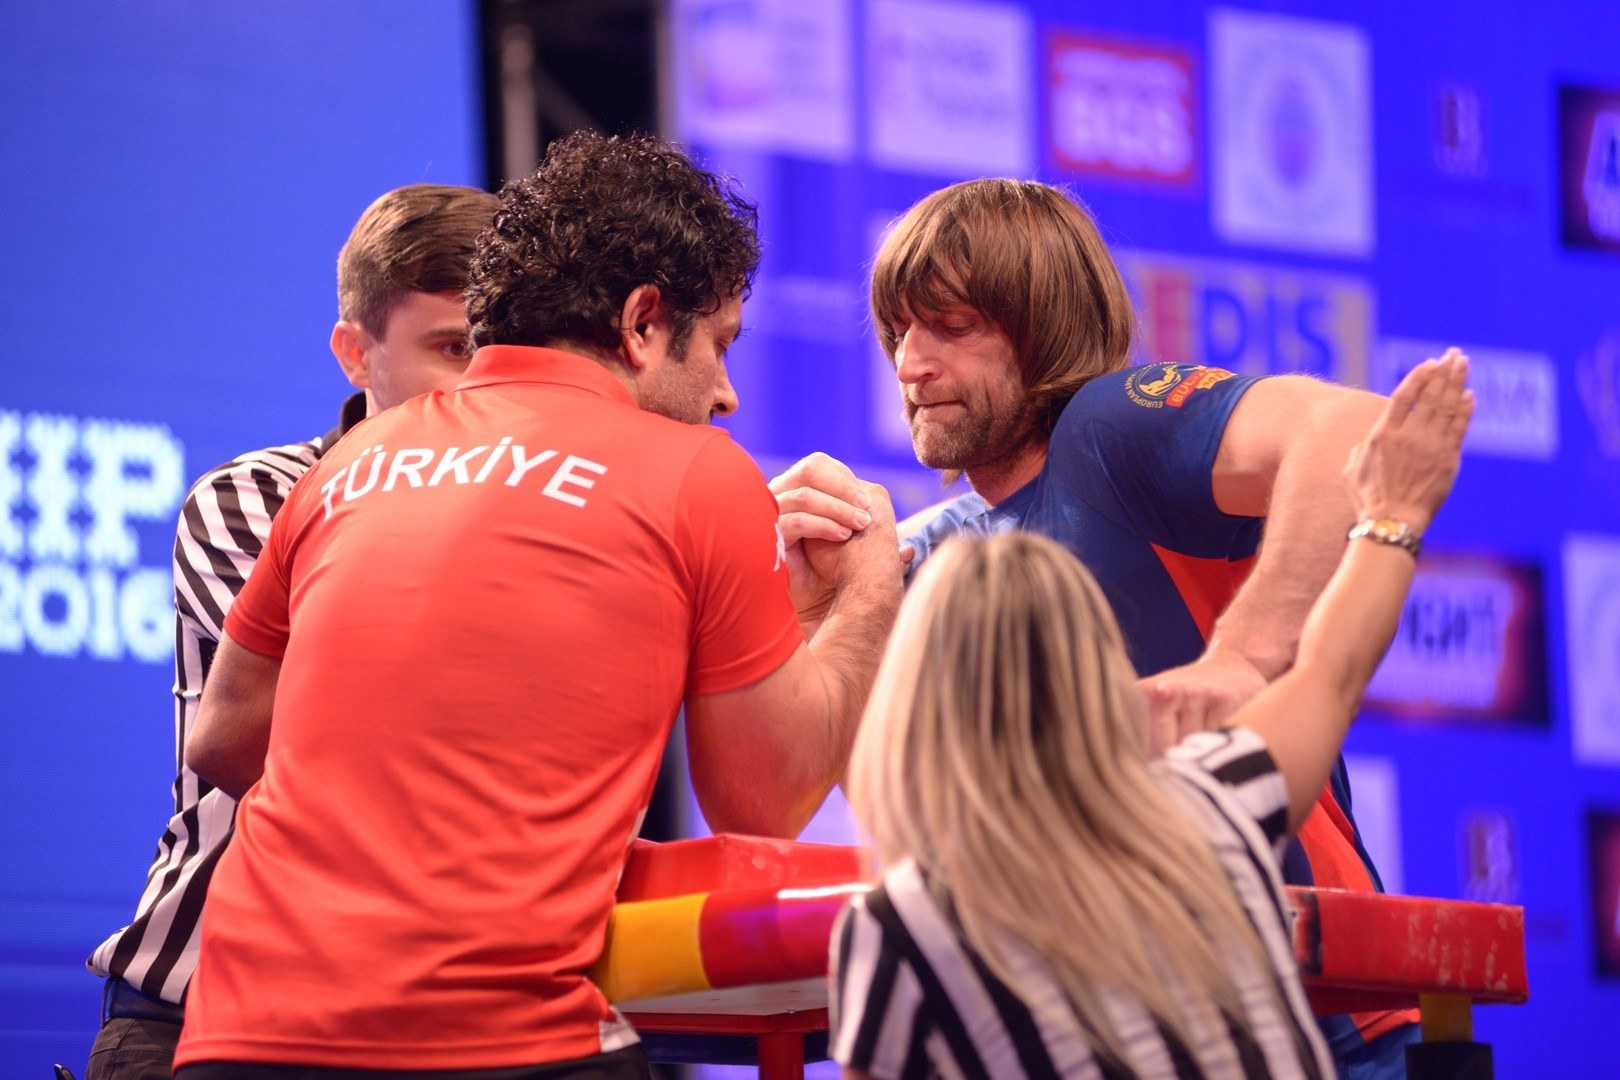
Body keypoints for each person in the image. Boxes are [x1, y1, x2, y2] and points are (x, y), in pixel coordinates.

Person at [171, 131, 903, 1079]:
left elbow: (225, 739)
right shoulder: (693, 472)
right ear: (644, 324)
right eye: (716, 346)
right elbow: (760, 802)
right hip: (496, 1044)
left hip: (238, 1038)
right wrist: (867, 591)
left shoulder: (351, 459)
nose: (723, 394)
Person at [774, 178, 1415, 1075]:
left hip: (1314, 1010)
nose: (910, 364)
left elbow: (1357, 428)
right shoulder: (937, 558)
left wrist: (1242, 659)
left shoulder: (1106, 431)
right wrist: (832, 622)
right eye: (898, 331)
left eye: (952, 327)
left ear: (1041, 331)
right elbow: (869, 819)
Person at [831, 354, 1473, 1079]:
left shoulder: (900, 926)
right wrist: (1396, 514)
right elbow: (1333, 671)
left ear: (916, 706)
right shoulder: (1208, 809)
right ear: (1098, 665)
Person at [83, 182, 500, 1080]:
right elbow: (349, 730)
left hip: (438, 1026)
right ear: (356, 354)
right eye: (452, 349)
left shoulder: (549, 512)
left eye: (500, 352)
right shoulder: (256, 498)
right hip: (194, 1018)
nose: (480, 386)